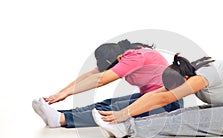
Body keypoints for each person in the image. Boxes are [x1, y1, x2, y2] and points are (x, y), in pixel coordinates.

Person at [92, 53, 223, 138]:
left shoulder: (203, 76)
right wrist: (122, 113)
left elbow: (164, 98)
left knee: (184, 120)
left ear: (186, 79)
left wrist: (123, 115)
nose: (176, 92)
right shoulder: (186, 72)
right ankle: (123, 125)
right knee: (180, 114)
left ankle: (125, 129)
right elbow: (154, 95)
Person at [32, 40, 182, 128]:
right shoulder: (121, 55)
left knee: (113, 109)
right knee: (106, 103)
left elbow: (100, 79)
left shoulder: (134, 57)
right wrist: (61, 92)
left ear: (118, 58)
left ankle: (61, 120)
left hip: (167, 103)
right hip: (151, 97)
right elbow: (90, 75)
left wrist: (68, 93)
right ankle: (60, 114)